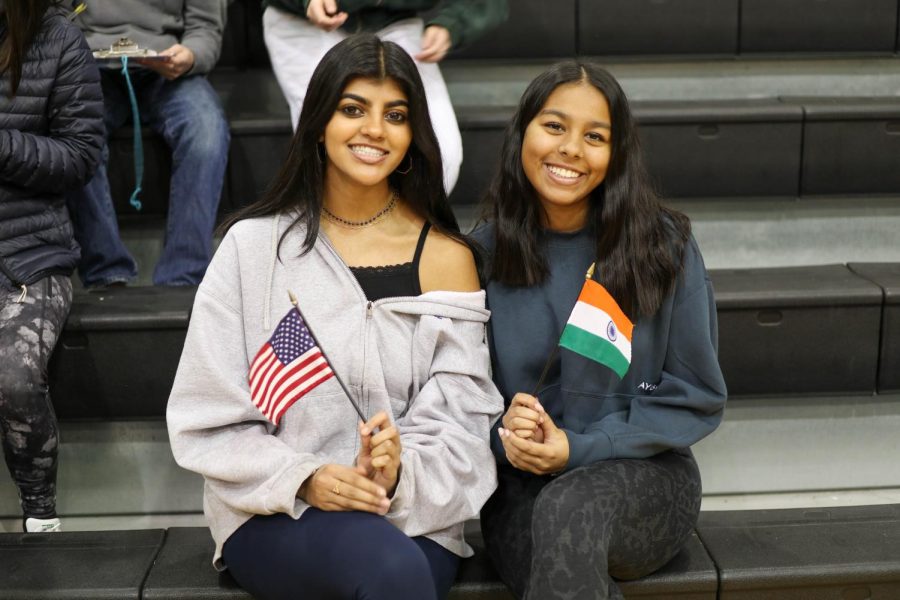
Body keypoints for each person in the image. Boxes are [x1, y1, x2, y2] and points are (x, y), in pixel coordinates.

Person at [166, 34, 503, 600]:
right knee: (389, 572)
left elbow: (464, 424)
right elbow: (208, 417)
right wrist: (309, 477)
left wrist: (398, 473)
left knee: (397, 568)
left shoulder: (450, 257)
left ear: (413, 134)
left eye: (395, 115)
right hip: (279, 510)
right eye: (353, 109)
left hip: (412, 513)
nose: (374, 129)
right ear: (318, 121)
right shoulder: (253, 248)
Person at [473, 61, 728, 599]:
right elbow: (455, 401)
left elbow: (696, 395)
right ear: (523, 132)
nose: (570, 148)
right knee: (558, 534)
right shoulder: (480, 254)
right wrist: (504, 431)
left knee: (571, 507)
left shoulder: (664, 245)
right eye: (554, 126)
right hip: (523, 488)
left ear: (617, 155)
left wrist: (580, 449)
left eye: (595, 136)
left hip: (645, 478)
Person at [0, 0, 104, 532]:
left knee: (15, 378)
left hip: (28, 253)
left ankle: (40, 516)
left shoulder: (57, 37)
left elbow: (82, 155)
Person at [262, 0, 508, 192]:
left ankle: (403, 236)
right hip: (301, 20)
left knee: (441, 153)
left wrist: (453, 24)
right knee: (328, 142)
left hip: (395, 22)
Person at [66, 0, 230, 287]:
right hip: (90, 65)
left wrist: (190, 56)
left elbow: (205, 28)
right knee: (71, 128)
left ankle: (183, 276)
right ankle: (106, 273)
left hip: (166, 67)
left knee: (206, 130)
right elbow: (54, 18)